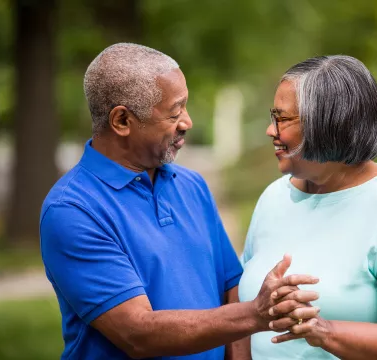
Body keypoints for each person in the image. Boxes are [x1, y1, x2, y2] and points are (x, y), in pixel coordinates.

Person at [40, 43, 312, 360]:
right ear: (122, 121)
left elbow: (231, 289)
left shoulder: (191, 185)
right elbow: (138, 333)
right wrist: (256, 314)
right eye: (175, 111)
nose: (188, 122)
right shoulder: (72, 210)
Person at [238, 55, 377, 359]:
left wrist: (324, 331)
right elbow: (242, 311)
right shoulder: (273, 198)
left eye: (282, 119)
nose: (270, 130)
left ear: (327, 123)